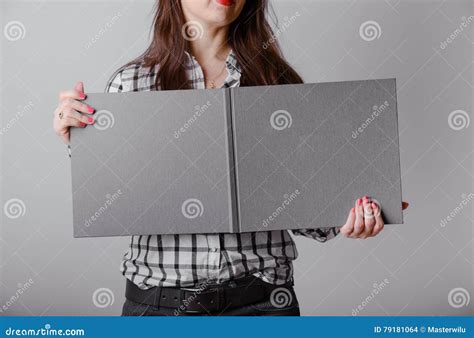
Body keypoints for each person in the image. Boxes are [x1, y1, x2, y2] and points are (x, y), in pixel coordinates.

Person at [53, 0, 408, 316]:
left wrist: (357, 212)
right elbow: (117, 200)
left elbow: (306, 213)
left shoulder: (277, 83)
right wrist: (81, 143)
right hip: (159, 306)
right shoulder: (132, 84)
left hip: (263, 306)